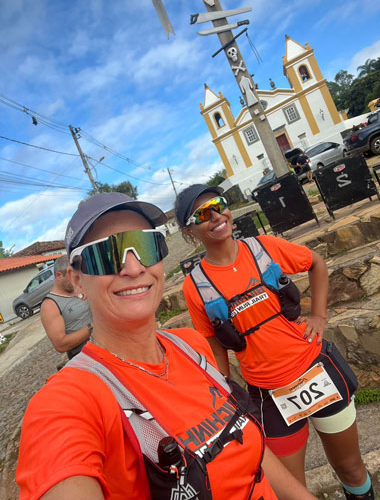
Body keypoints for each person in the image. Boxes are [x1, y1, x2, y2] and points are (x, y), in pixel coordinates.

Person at [16, 192, 317, 500]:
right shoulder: (69, 401)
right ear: (77, 281)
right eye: (106, 254)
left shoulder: (190, 345)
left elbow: (247, 448)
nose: (133, 269)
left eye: (146, 245)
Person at [174, 184, 374, 500]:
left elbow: (316, 264)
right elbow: (214, 343)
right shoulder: (195, 286)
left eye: (218, 204)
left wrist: (319, 317)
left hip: (316, 371)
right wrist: (224, 389)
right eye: (202, 214)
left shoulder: (264, 247)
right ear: (189, 231)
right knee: (290, 492)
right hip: (270, 396)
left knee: (350, 468)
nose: (215, 216)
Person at [40, 255, 92, 360]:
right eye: (72, 276)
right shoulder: (50, 305)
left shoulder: (79, 288)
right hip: (84, 356)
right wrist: (92, 327)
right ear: (59, 276)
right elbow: (61, 344)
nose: (77, 280)